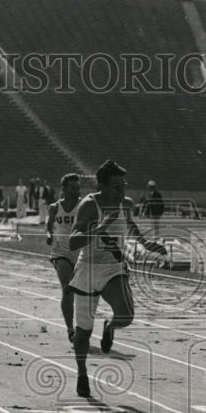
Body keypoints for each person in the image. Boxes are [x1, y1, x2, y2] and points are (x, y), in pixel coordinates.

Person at [68, 160, 166, 398]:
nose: (122, 190)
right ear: (101, 185)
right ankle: (82, 373)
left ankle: (110, 327)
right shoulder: (89, 205)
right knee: (82, 333)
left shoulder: (125, 204)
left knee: (126, 314)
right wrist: (97, 229)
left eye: (124, 185)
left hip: (114, 267)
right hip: (89, 268)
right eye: (116, 185)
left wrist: (148, 245)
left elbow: (130, 226)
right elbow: (73, 241)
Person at [45, 173, 82, 343]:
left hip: (81, 253)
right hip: (61, 252)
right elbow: (49, 222)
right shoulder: (55, 207)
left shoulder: (84, 205)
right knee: (67, 289)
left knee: (83, 292)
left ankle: (84, 325)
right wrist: (49, 233)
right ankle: (70, 329)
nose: (76, 190)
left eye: (78, 187)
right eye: (72, 187)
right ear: (64, 189)